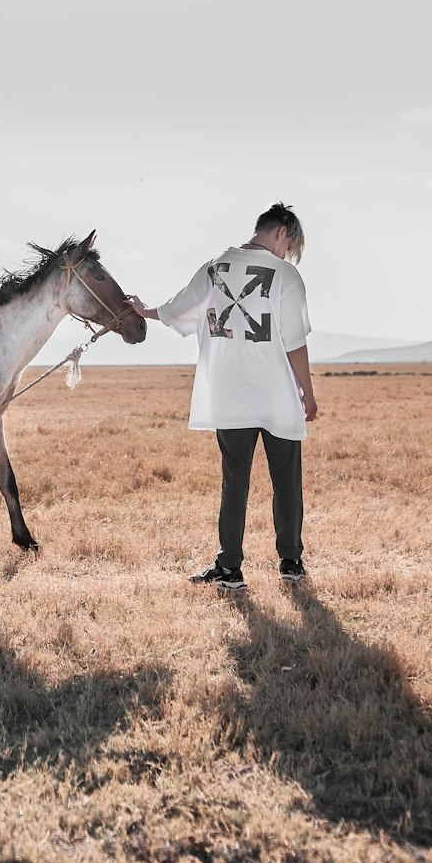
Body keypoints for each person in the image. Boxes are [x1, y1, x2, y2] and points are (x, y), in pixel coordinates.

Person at [127, 202, 317, 591]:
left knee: (235, 482)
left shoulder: (215, 268)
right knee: (286, 481)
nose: (287, 254)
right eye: (289, 245)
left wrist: (144, 311)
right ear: (282, 232)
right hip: (276, 395)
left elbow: (177, 308)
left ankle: (229, 568)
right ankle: (291, 563)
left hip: (229, 396)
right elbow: (295, 343)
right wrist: (307, 393)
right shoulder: (286, 276)